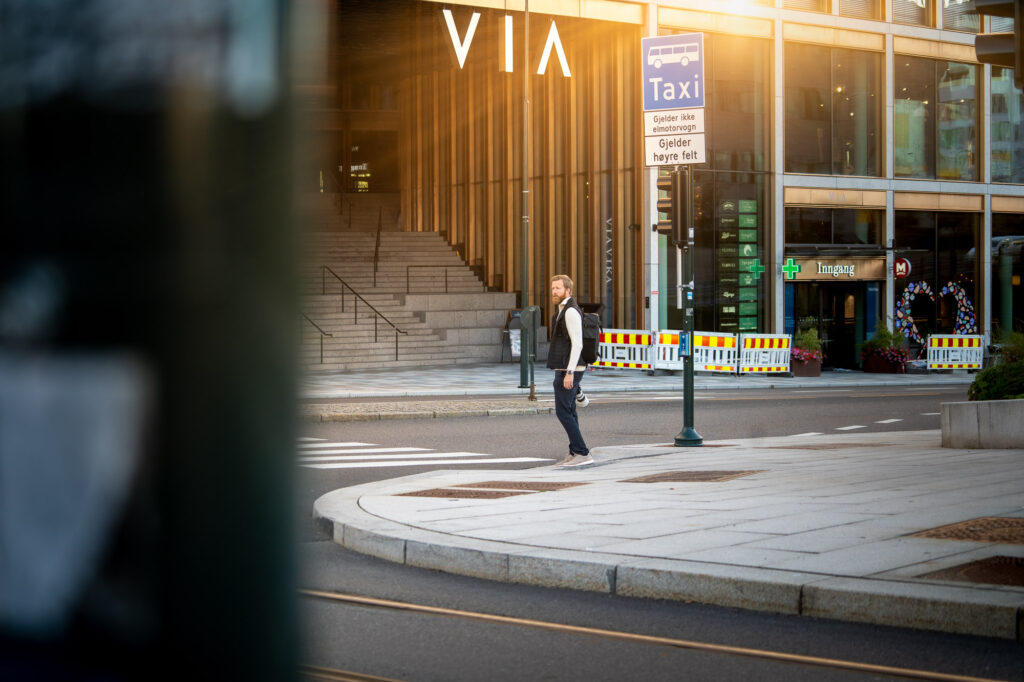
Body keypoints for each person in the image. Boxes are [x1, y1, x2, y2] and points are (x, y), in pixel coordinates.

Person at [546, 274, 593, 467]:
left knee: (563, 412)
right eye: (553, 288)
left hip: (569, 368)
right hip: (566, 366)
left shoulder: (570, 311)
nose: (554, 291)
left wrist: (570, 372)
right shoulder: (563, 309)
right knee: (570, 411)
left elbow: (578, 343)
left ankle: (582, 453)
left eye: (558, 288)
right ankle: (575, 452)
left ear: (568, 290)